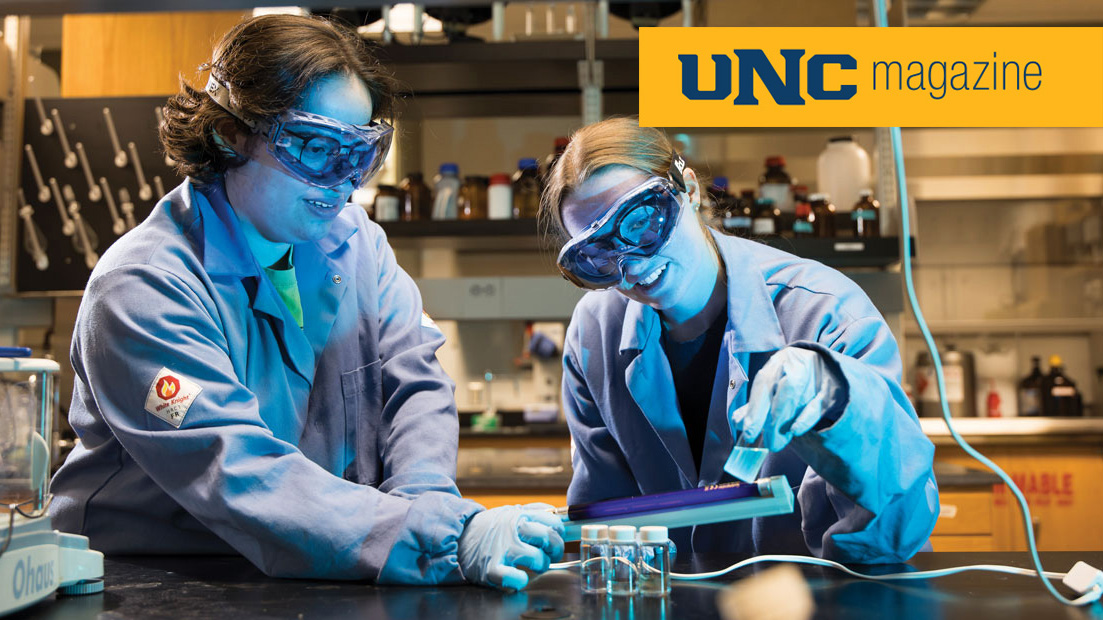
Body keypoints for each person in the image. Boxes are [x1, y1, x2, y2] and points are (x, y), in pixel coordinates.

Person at [49, 14, 562, 590]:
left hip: (322, 566)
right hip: (149, 579)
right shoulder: (145, 285)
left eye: (362, 153)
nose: (345, 183)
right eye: (318, 148)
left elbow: (413, 383)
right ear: (231, 134)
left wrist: (429, 510)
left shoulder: (357, 243)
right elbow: (234, 469)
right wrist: (431, 537)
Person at [541, 118, 938, 563]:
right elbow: (606, 528)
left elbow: (897, 528)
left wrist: (843, 410)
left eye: (640, 223)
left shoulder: (826, 312)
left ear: (688, 190)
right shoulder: (594, 333)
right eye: (597, 255)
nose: (630, 266)